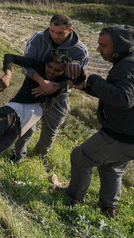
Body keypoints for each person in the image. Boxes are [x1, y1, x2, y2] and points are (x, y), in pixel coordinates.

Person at [58, 25, 134, 218]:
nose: (98, 49)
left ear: (119, 46)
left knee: (81, 157)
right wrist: (86, 86)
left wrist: (95, 80)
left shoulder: (130, 66)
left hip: (127, 137)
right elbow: (115, 93)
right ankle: (108, 209)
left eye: (103, 45)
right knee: (111, 166)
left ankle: (72, 198)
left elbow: (123, 99)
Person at [11, 14, 89, 166]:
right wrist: (41, 82)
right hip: (34, 87)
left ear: (70, 31)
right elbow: (26, 64)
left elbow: (77, 79)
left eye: (60, 33)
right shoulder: (38, 39)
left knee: (51, 129)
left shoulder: (80, 51)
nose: (55, 36)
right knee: (26, 123)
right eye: (52, 31)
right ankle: (18, 155)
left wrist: (57, 86)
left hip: (60, 94)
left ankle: (41, 156)